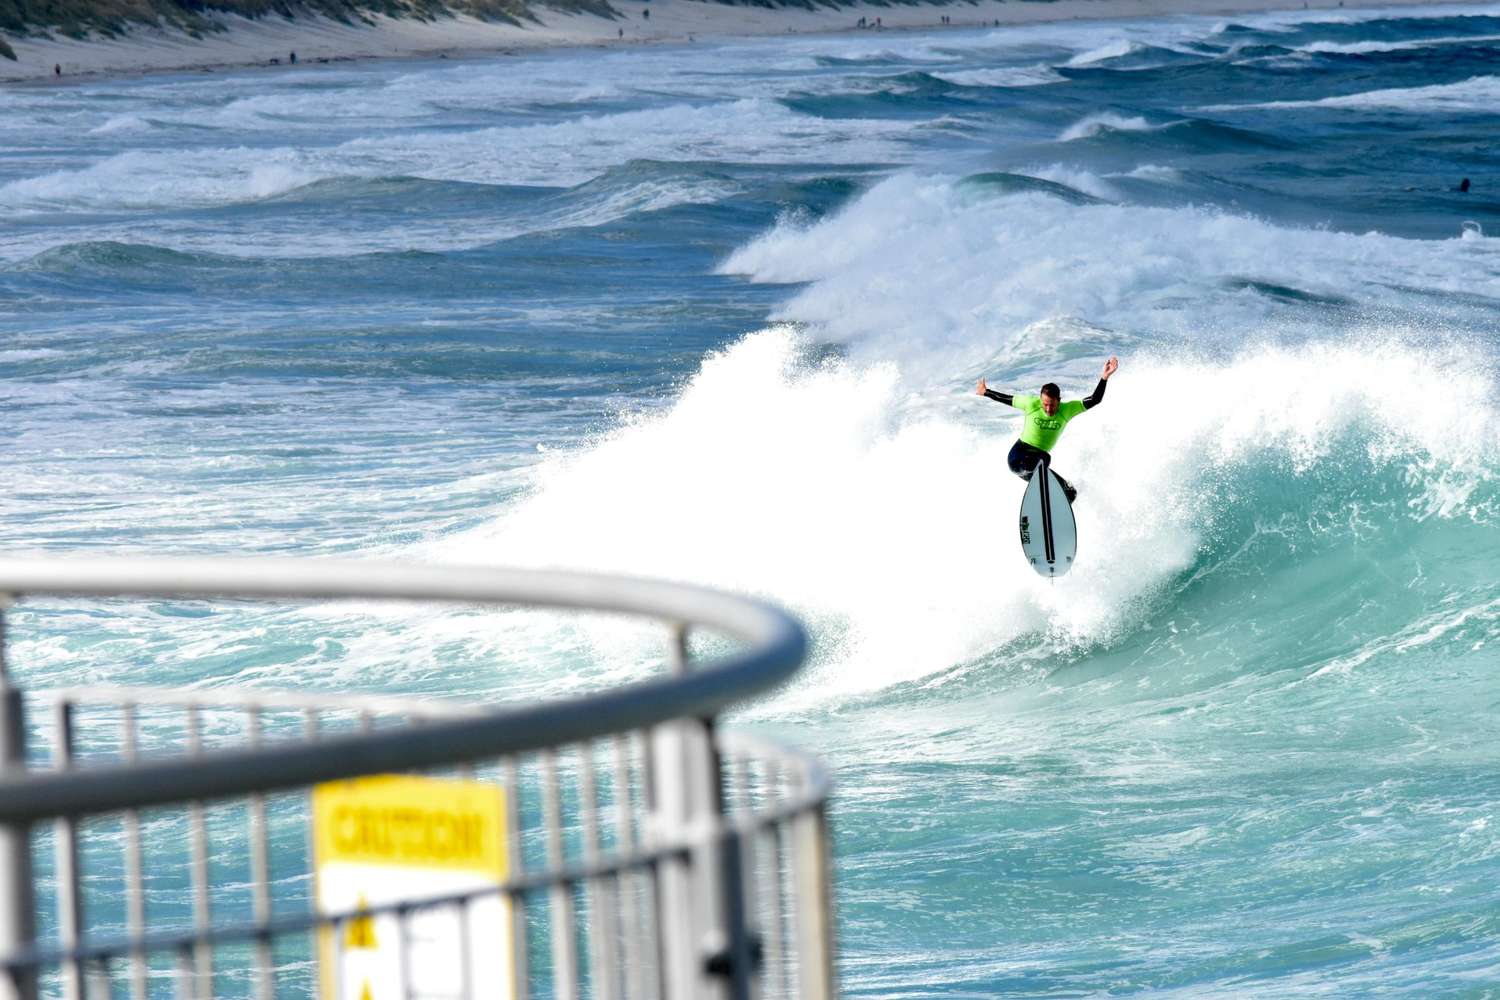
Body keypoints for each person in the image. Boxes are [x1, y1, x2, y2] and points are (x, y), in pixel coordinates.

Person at [975, 356, 1118, 504]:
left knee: (1070, 493)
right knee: (1045, 459)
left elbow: (1094, 399)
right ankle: (1041, 498)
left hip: (1038, 465)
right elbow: (1006, 398)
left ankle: (1053, 514)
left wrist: (1105, 377)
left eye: (1052, 405)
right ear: (1040, 400)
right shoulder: (1031, 403)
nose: (1048, 408)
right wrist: (986, 392)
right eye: (1045, 404)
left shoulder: (1067, 409)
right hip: (1018, 458)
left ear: (1059, 401)